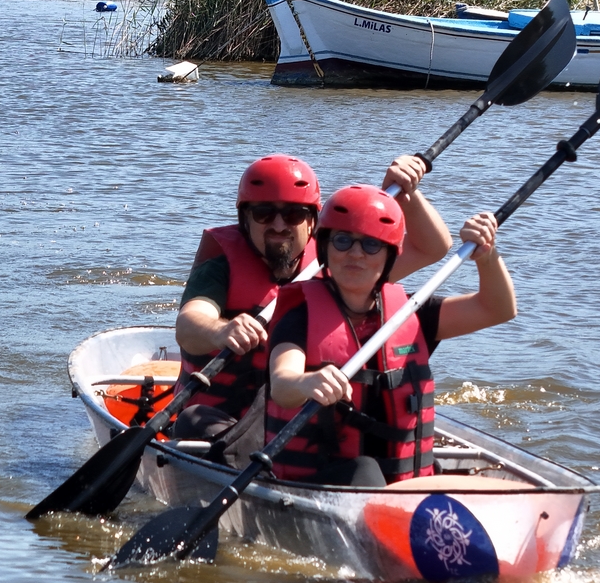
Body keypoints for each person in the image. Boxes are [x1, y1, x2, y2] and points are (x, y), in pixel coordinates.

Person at [169, 155, 450, 460]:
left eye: (293, 215)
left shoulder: (340, 261)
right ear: (245, 220)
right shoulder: (220, 266)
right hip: (223, 418)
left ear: (313, 221)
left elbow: (432, 248)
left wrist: (405, 196)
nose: (279, 225)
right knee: (193, 419)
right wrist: (222, 329)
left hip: (305, 421)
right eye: (264, 213)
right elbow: (189, 324)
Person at [264, 186, 515, 487]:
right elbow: (282, 382)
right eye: (343, 241)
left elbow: (497, 309)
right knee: (365, 470)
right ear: (326, 249)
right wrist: (307, 381)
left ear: (389, 255)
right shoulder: (299, 317)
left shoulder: (409, 314)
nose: (355, 253)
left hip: (405, 481)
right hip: (324, 480)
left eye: (371, 245)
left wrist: (487, 260)